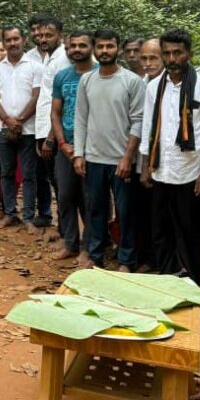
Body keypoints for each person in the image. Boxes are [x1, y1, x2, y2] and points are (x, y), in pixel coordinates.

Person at [140, 29, 200, 284]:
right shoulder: (154, 87)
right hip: (161, 168)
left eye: (178, 53)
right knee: (161, 230)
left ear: (189, 54)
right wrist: (145, 166)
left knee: (188, 230)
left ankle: (191, 283)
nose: (172, 58)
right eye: (167, 53)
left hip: (190, 171)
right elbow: (148, 127)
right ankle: (167, 280)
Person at [73, 30, 146, 270]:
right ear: (95, 49)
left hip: (121, 160)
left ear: (118, 49)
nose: (105, 51)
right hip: (94, 158)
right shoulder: (87, 80)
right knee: (96, 210)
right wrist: (79, 154)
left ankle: (126, 260)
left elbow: (138, 121)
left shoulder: (131, 81)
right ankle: (95, 256)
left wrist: (127, 157)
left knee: (126, 212)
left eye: (110, 46)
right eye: (101, 47)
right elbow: (81, 119)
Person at [0, 26, 42, 229]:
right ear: (4, 42)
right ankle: (10, 213)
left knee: (28, 175)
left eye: (16, 39)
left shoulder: (35, 66)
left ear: (23, 40)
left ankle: (28, 217)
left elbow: (37, 95)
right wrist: (7, 120)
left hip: (28, 129)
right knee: (6, 173)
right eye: (8, 40)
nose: (12, 43)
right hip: (3, 129)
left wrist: (19, 120)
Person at [50, 31, 96, 263]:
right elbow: (55, 113)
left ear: (92, 47)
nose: (77, 49)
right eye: (73, 46)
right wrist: (62, 143)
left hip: (93, 149)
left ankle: (89, 246)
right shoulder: (62, 76)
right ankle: (70, 243)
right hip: (66, 147)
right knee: (65, 195)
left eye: (82, 45)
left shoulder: (100, 74)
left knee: (90, 198)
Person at [132, 38, 165, 270]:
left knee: (161, 214)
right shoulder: (140, 83)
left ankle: (159, 260)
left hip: (162, 162)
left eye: (153, 58)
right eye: (144, 58)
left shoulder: (170, 85)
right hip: (140, 159)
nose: (147, 63)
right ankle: (145, 257)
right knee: (142, 211)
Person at [32, 16, 67, 231]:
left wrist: (51, 138)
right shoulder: (49, 58)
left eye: (49, 35)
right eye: (41, 35)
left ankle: (65, 229)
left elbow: (62, 102)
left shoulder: (63, 59)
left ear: (60, 35)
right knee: (54, 180)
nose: (43, 39)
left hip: (53, 132)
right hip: (44, 128)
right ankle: (63, 227)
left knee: (60, 181)